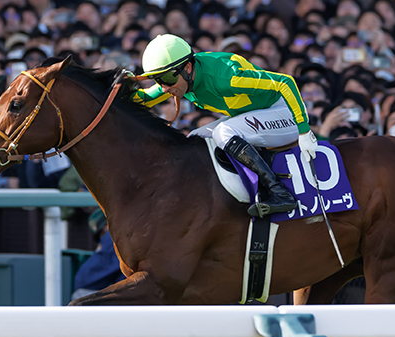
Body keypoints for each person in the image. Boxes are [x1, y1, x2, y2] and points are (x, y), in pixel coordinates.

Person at [132, 34, 318, 217]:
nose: (163, 87)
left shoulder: (226, 78)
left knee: (224, 131)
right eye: (157, 79)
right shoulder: (180, 78)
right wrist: (113, 87)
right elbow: (145, 98)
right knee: (195, 138)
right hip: (255, 114)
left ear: (188, 67)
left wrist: (304, 131)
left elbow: (285, 83)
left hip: (286, 113)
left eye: (166, 79)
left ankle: (278, 192)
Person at [71, 209, 126, 300]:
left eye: (103, 234)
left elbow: (83, 281)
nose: (103, 239)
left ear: (107, 225)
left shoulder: (113, 238)